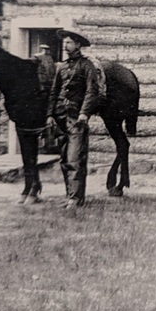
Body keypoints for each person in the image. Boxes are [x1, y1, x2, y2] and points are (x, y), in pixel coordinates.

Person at [46, 30, 101, 210]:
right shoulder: (61, 67)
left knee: (75, 158)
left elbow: (91, 91)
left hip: (76, 118)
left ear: (78, 45)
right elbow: (54, 92)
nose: (65, 45)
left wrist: (84, 113)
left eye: (69, 42)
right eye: (65, 42)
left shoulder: (87, 66)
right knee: (64, 159)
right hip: (60, 118)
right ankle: (70, 195)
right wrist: (49, 115)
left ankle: (76, 198)